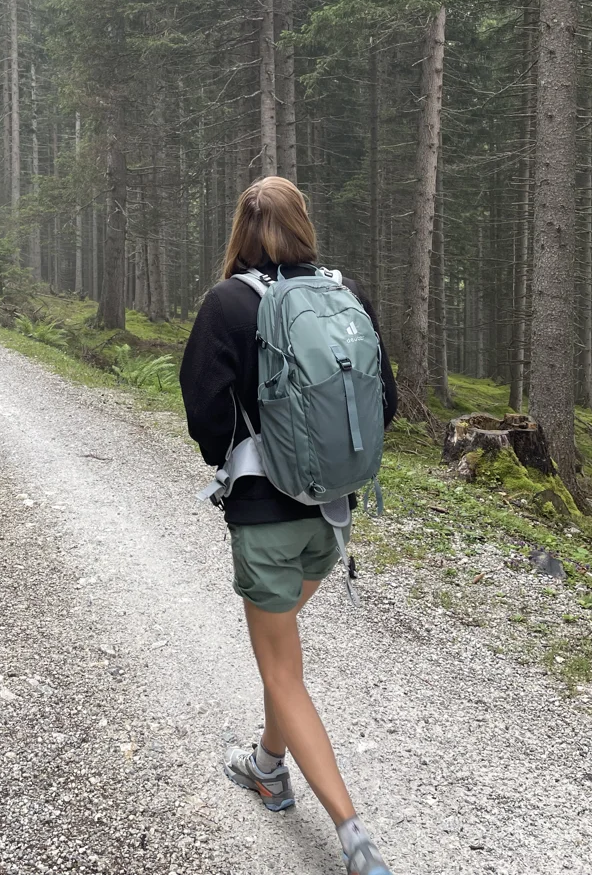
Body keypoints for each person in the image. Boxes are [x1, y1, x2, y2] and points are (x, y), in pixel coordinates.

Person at [179, 176, 398, 875]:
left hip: (265, 520)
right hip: (330, 522)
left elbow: (207, 424)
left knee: (282, 670)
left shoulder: (227, 304)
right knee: (284, 660)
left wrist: (247, 450)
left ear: (240, 232)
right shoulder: (346, 294)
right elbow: (385, 401)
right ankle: (267, 764)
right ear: (304, 225)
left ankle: (353, 835)